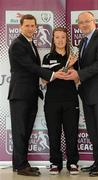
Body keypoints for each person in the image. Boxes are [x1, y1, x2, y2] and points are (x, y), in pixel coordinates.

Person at [8, 14, 64, 176]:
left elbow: (32, 69)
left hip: (30, 94)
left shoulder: (29, 43)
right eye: (27, 26)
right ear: (20, 27)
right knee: (20, 131)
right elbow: (30, 67)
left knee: (24, 131)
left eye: (33, 26)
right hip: (20, 95)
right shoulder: (18, 44)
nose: (31, 28)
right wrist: (52, 75)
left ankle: (20, 163)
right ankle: (20, 166)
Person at [63, 12, 98, 176]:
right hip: (87, 93)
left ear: (94, 22)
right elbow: (81, 64)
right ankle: (97, 162)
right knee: (93, 131)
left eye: (87, 21)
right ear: (78, 25)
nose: (84, 24)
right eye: (81, 23)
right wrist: (70, 66)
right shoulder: (82, 42)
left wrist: (78, 74)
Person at [42, 27, 79, 175]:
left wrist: (71, 67)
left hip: (71, 101)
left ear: (66, 39)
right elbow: (44, 80)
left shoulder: (74, 57)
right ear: (53, 39)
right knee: (53, 133)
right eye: (57, 37)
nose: (60, 40)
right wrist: (59, 72)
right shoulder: (47, 57)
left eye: (63, 37)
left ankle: (73, 163)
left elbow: (78, 79)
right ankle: (55, 162)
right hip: (52, 102)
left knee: (71, 133)